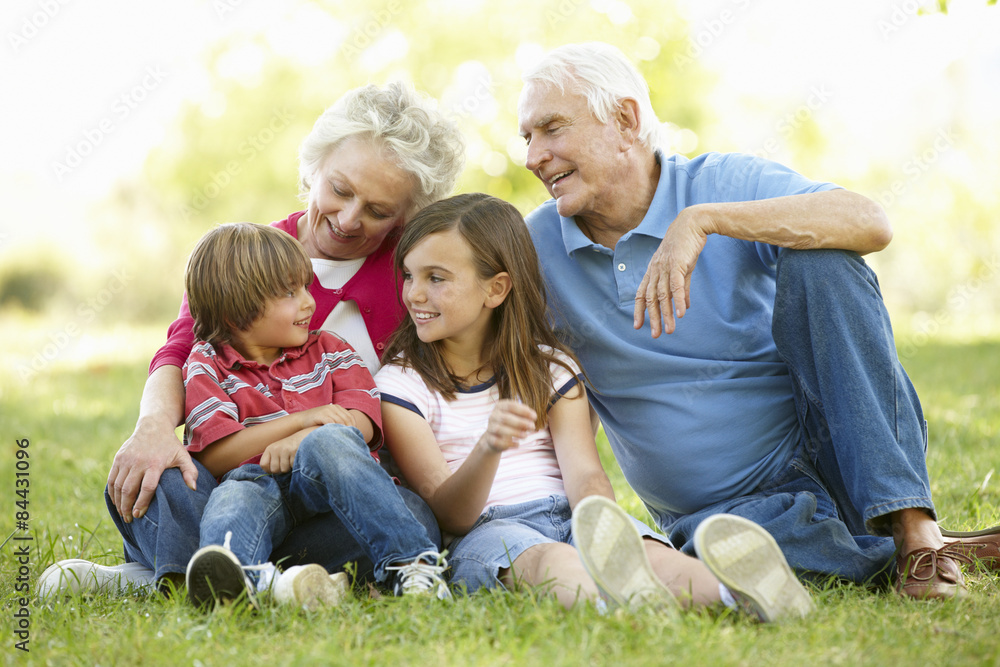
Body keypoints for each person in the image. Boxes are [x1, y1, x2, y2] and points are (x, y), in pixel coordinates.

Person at [516, 42, 1000, 601]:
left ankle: (916, 535)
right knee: (731, 546)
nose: (533, 157)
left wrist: (706, 221)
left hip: (835, 455)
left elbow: (869, 222)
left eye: (551, 129)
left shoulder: (721, 183)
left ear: (624, 120)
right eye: (526, 138)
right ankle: (898, 551)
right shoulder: (536, 246)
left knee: (824, 260)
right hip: (725, 510)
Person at [38, 82, 466, 599]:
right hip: (237, 489)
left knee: (410, 511)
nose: (350, 219)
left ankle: (175, 579)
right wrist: (153, 426)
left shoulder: (415, 273)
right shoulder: (240, 262)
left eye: (378, 211)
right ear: (314, 167)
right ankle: (235, 576)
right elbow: (181, 350)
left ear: (406, 215)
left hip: (335, 491)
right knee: (168, 478)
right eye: (340, 189)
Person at [374, 192, 814, 621]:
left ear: (496, 289)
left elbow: (584, 472)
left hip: (570, 512)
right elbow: (450, 514)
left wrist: (601, 525)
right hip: (489, 531)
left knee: (646, 554)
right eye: (409, 276)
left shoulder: (549, 368)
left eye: (436, 278)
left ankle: (740, 593)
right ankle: (623, 610)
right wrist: (489, 447)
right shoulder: (401, 385)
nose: (413, 294)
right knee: (551, 563)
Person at [180, 222, 447, 609]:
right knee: (233, 498)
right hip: (256, 483)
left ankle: (416, 567)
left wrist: (307, 437)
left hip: (338, 489)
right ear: (237, 313)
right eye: (291, 293)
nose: (308, 302)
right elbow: (216, 455)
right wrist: (300, 421)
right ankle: (241, 580)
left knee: (333, 442)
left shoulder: (329, 349)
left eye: (305, 286)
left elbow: (363, 421)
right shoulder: (207, 364)